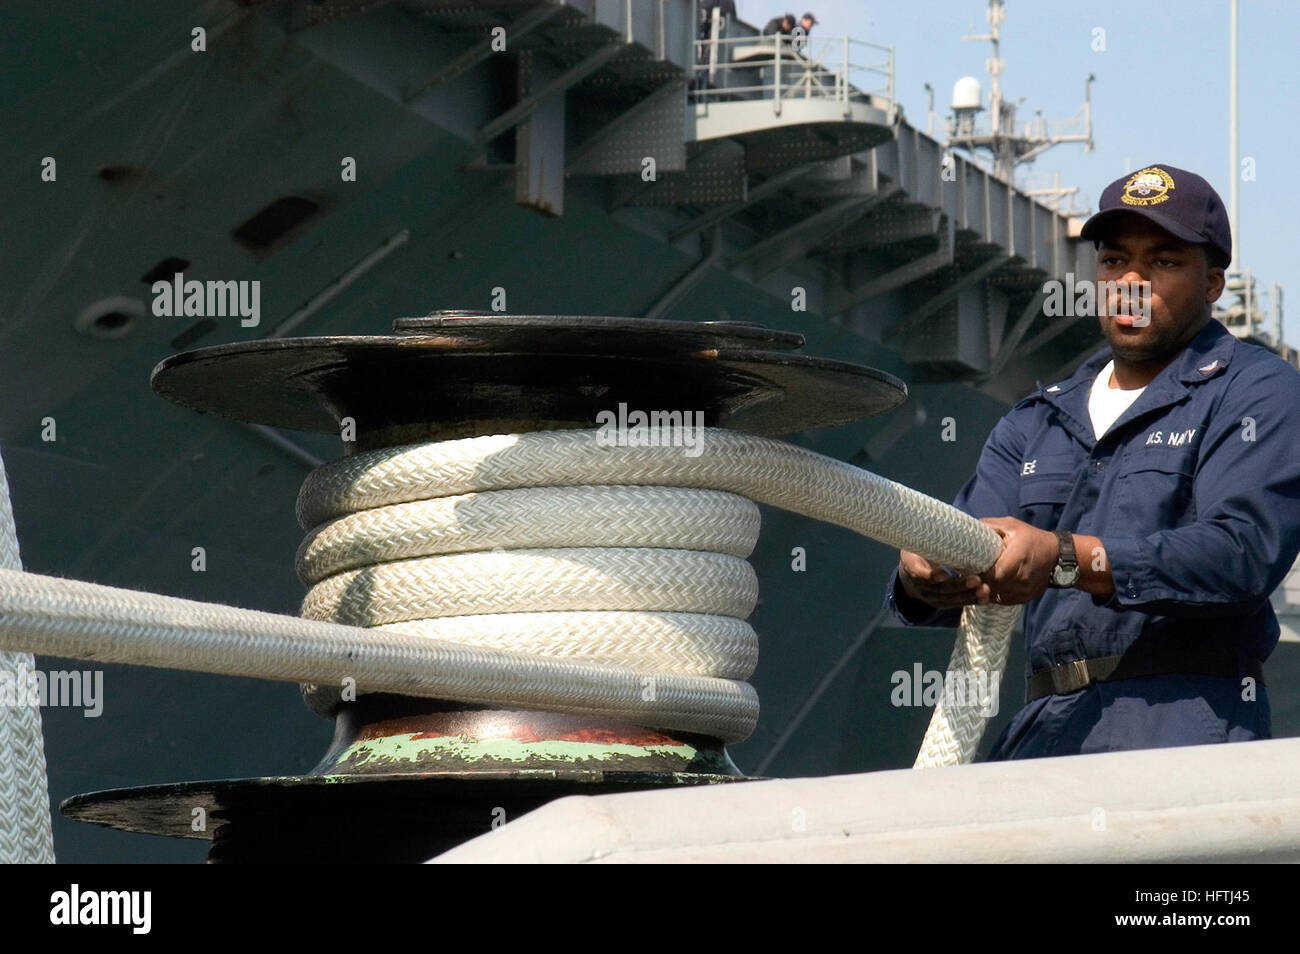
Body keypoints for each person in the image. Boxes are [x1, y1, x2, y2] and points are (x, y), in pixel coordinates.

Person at [884, 163, 1300, 760]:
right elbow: (966, 550)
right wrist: (923, 571)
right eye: (1113, 261)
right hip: (1043, 727)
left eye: (1163, 262)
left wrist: (1068, 558)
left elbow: (1241, 555)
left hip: (1186, 721)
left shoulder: (1257, 390)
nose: (1132, 281)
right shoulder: (1036, 420)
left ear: (1212, 283)